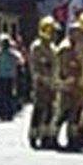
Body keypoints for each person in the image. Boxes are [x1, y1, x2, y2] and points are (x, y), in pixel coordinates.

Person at [54, 24, 83, 150]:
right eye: (78, 33)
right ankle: (53, 137)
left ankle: (73, 139)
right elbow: (65, 67)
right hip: (68, 87)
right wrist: (68, 80)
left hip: (77, 87)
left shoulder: (77, 46)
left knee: (76, 114)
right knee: (63, 113)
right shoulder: (66, 48)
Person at [29, 17, 59, 149]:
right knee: (39, 109)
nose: (54, 35)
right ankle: (34, 135)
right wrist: (42, 79)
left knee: (51, 110)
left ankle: (46, 136)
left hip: (52, 83)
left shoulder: (53, 47)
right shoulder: (37, 47)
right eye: (52, 31)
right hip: (41, 84)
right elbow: (36, 66)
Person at [0, 34, 23, 122]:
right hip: (10, 76)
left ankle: (3, 113)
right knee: (9, 95)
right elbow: (21, 61)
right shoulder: (13, 53)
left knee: (2, 96)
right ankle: (9, 113)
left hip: (1, 77)